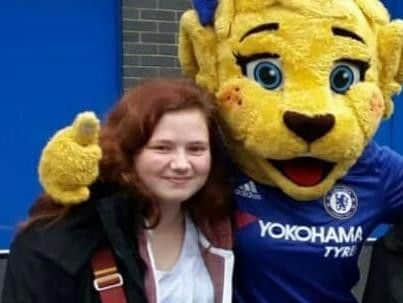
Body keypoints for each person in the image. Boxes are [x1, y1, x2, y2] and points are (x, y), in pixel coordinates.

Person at [2, 78, 234, 303]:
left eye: (196, 149)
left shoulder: (221, 229)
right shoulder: (56, 244)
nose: (181, 164)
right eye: (162, 148)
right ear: (128, 151)